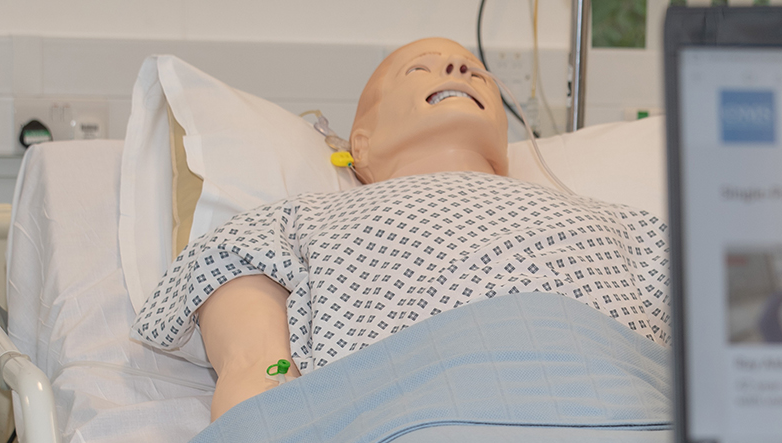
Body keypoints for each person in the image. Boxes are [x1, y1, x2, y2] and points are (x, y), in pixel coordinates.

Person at [132, 38, 670, 419]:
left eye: (473, 69)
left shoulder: (624, 226)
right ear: (357, 144)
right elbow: (260, 375)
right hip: (404, 423)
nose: (461, 72)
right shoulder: (296, 221)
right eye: (423, 69)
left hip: (620, 421)